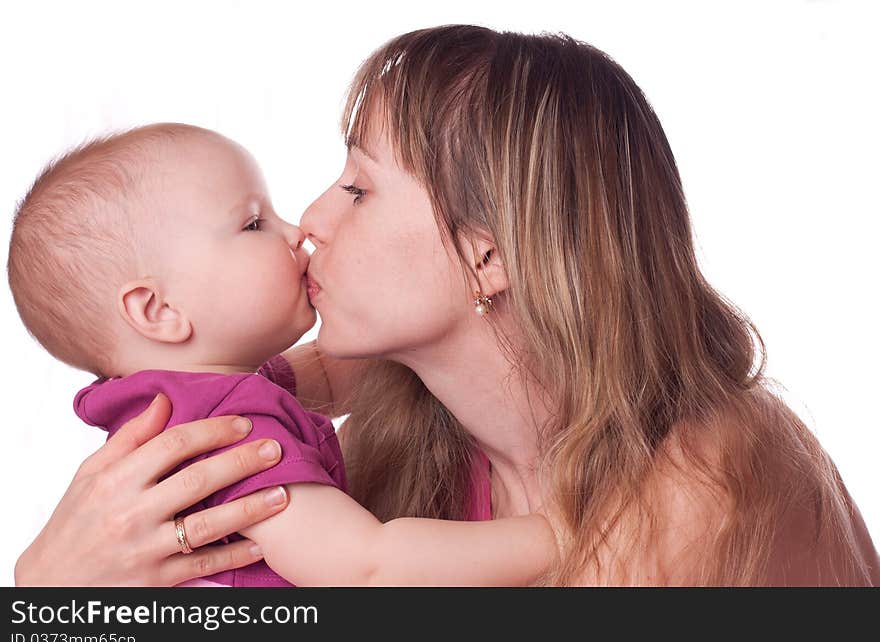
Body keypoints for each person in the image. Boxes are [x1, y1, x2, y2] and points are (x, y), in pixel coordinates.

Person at [14, 25, 879, 586]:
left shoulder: (709, 475)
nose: (309, 223)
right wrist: (50, 586)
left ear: (488, 252)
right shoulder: (392, 455)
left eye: (358, 188)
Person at [7, 122, 556, 586]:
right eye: (253, 224)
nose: (298, 230)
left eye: (360, 190)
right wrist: (556, 536)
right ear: (157, 311)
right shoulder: (230, 430)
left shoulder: (171, 401)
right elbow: (366, 569)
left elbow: (330, 374)